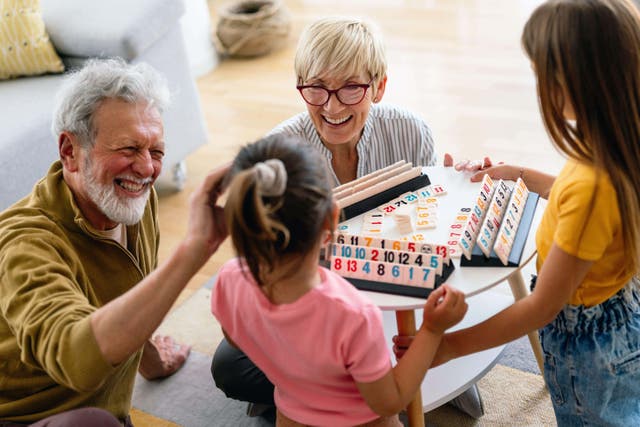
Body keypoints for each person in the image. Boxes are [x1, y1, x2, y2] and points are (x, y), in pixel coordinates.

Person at [397, 0, 640, 425]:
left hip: (585, 339)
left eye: (541, 75)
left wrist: (448, 346)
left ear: (572, 85)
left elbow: (541, 307)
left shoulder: (591, 188)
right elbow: (577, 193)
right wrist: (520, 174)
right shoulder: (614, 145)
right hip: (618, 312)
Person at [0, 58, 229, 426]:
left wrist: (150, 360)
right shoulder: (23, 244)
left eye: (156, 151)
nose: (147, 169)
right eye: (128, 149)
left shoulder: (131, 199)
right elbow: (77, 361)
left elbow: (124, 292)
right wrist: (194, 249)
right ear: (70, 152)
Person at [210, 134, 467, 426]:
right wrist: (432, 331)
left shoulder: (228, 280)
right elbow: (390, 400)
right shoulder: (352, 313)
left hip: (292, 417)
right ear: (332, 219)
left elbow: (236, 338)